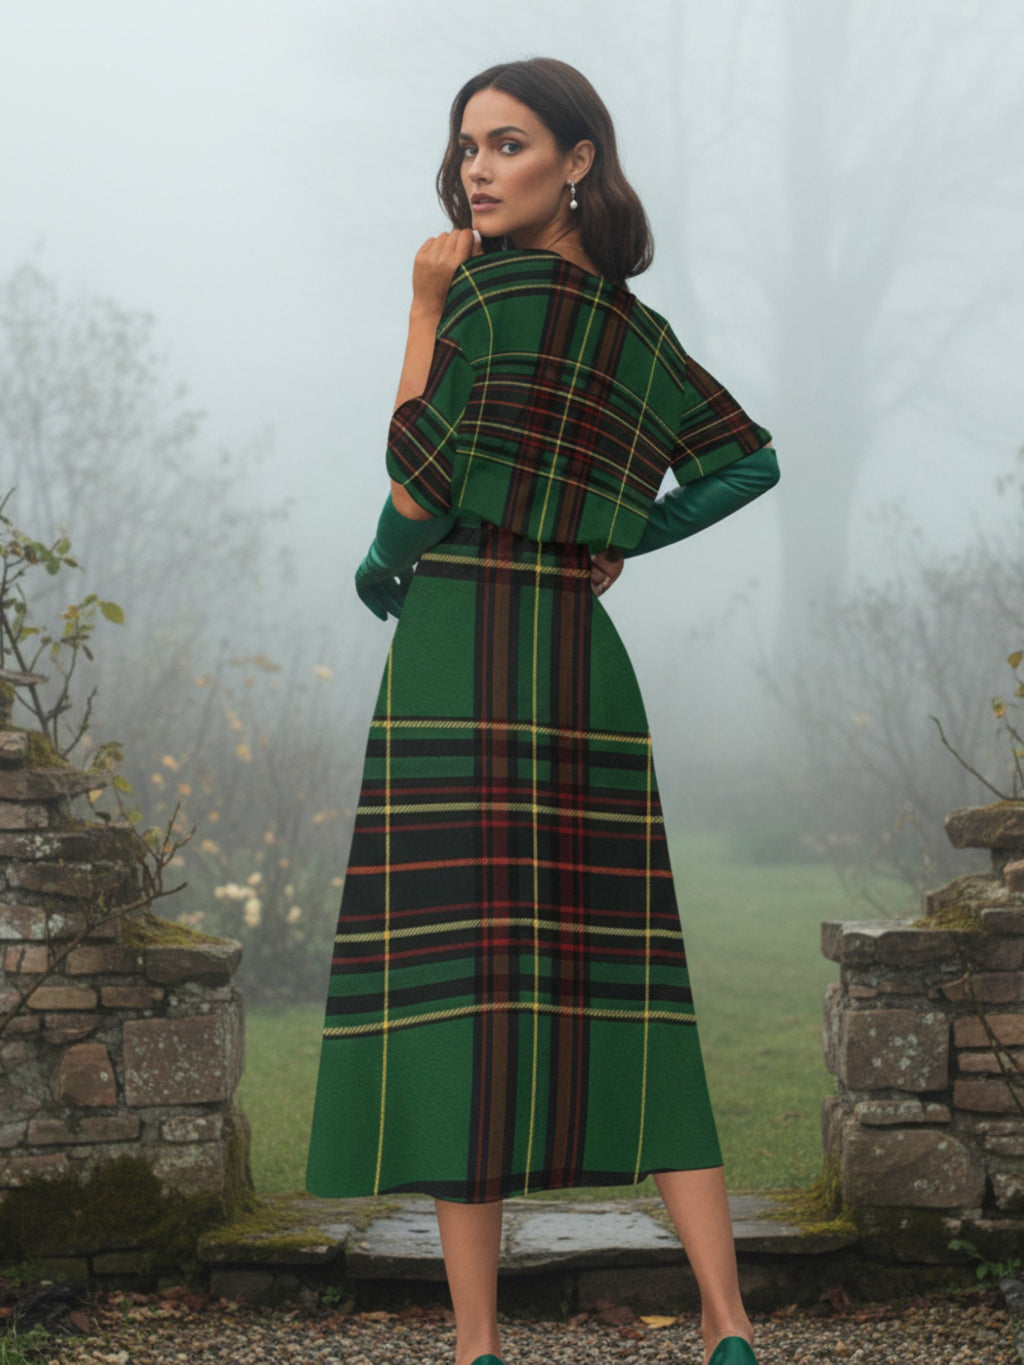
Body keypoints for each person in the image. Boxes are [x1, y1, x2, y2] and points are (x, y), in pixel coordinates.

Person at [306, 57, 779, 1365]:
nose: (474, 167)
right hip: (579, 658)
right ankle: (728, 1323)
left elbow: (422, 464)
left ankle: (476, 1348)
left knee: (465, 993)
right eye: (465, 146)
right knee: (631, 981)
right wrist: (624, 533)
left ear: (578, 160)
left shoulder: (482, 290)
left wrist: (379, 561)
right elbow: (751, 456)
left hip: (462, 639)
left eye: (505, 143)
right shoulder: (637, 330)